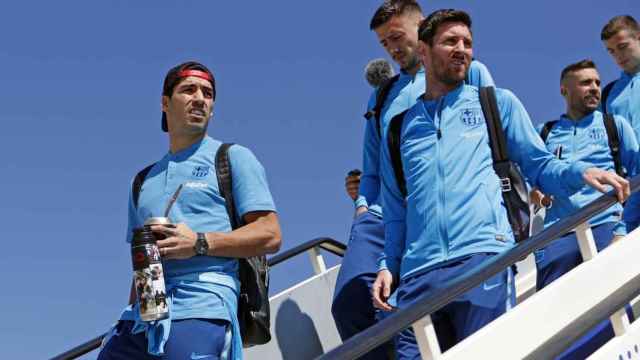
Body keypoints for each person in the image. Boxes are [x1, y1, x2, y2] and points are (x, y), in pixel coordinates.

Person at [371, 10, 630, 359]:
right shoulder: (399, 128)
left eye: (467, 43)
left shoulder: (495, 103)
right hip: (417, 276)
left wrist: (578, 172)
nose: (462, 49)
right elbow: (395, 207)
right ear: (424, 51)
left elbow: (540, 165)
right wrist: (389, 263)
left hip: (482, 263)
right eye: (450, 42)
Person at [331, 1, 494, 358]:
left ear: (421, 28)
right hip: (379, 215)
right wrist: (362, 207)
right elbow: (371, 168)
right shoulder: (383, 95)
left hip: (437, 213)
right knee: (350, 298)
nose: (391, 48)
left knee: (422, 300)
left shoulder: (470, 73)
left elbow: (492, 136)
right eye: (383, 43)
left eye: (396, 37)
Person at [98, 61, 282, 360]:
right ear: (165, 103)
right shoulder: (143, 180)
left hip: (204, 304)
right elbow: (141, 260)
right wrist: (133, 311)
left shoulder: (233, 157)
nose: (200, 98)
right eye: (189, 90)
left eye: (208, 93)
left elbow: (270, 234)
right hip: (144, 315)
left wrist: (198, 242)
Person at [531, 59, 639, 360]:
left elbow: (636, 173)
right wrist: (537, 194)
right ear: (565, 90)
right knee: (554, 310)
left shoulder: (613, 126)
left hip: (605, 224)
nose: (594, 88)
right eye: (585, 83)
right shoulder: (545, 133)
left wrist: (622, 227)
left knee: (610, 302)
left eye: (596, 82)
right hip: (557, 234)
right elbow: (532, 178)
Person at [601, 15, 640, 231]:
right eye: (611, 51)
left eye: (622, 47)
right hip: (631, 190)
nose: (618, 56)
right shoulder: (608, 96)